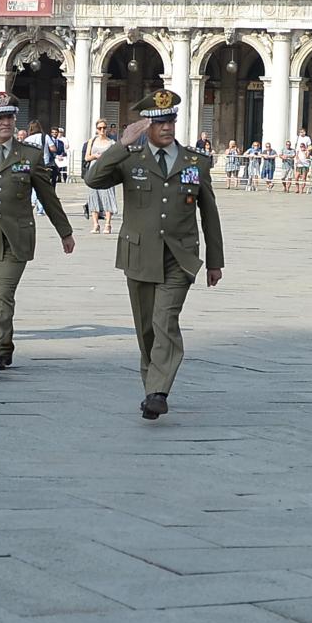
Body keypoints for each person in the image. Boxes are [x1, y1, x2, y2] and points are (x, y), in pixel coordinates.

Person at [82, 89, 224, 420]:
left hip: (180, 257)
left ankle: (159, 391)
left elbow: (210, 215)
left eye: (171, 121)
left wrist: (215, 262)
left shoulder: (195, 162)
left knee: (165, 321)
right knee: (146, 328)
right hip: (139, 255)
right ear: (147, 126)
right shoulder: (130, 159)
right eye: (160, 123)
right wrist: (120, 145)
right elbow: (93, 180)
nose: (167, 128)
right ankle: (151, 386)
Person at [0, 90, 76, 378]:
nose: (5, 123)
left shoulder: (29, 155)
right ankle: (4, 345)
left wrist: (65, 232)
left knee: (2, 295)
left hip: (16, 238)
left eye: (9, 117)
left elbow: (48, 196)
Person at [83, 119, 120, 232]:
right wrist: (95, 156)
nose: (102, 130)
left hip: (107, 172)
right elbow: (87, 157)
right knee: (94, 196)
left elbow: (116, 158)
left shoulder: (112, 143)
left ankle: (108, 224)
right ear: (96, 129)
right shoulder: (92, 141)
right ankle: (95, 224)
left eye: (104, 128)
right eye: (100, 128)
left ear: (107, 128)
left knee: (108, 196)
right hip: (94, 170)